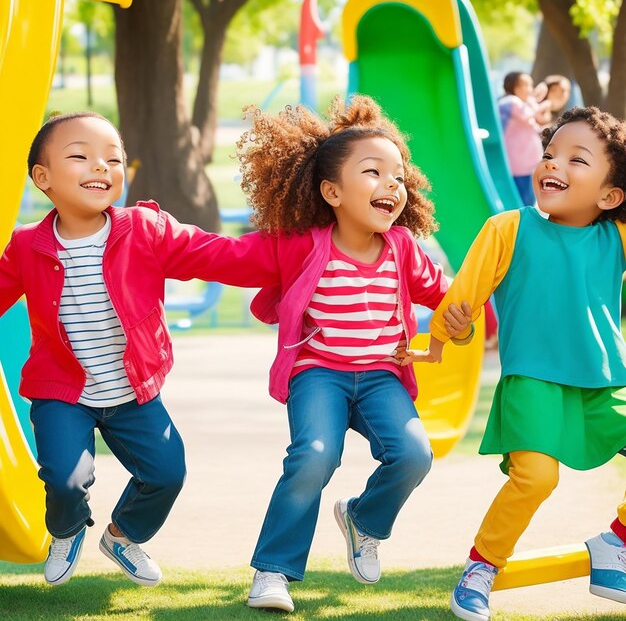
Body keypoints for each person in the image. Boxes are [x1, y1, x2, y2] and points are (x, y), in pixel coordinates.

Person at [227, 95, 473, 613]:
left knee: (413, 455)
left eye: (399, 176)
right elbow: (225, 256)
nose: (392, 184)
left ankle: (364, 520)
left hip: (382, 377)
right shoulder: (302, 244)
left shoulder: (403, 247)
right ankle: (272, 572)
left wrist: (470, 320)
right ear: (332, 191)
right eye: (374, 172)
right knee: (315, 456)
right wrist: (159, 243)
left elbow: (447, 296)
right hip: (320, 375)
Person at [0, 112, 260, 587]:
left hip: (133, 391)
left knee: (167, 473)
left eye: (112, 159)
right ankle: (67, 529)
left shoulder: (145, 229)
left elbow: (219, 254)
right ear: (43, 178)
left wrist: (289, 251)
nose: (101, 167)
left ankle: (122, 535)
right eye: (80, 157)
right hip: (62, 392)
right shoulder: (26, 246)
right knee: (64, 480)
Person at [411, 106, 626, 620]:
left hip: (605, 380)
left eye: (578, 159)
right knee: (536, 479)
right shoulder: (509, 229)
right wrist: (450, 330)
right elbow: (462, 303)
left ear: (610, 196)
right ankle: (481, 567)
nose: (553, 164)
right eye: (550, 153)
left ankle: (616, 542)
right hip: (532, 379)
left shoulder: (615, 237)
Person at [498, 72, 550, 207]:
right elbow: (528, 115)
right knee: (522, 202)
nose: (529, 89)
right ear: (513, 87)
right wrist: (544, 104)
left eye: (530, 85)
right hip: (519, 165)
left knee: (528, 200)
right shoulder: (510, 101)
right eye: (525, 85)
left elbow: (535, 123)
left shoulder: (521, 103)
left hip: (528, 164)